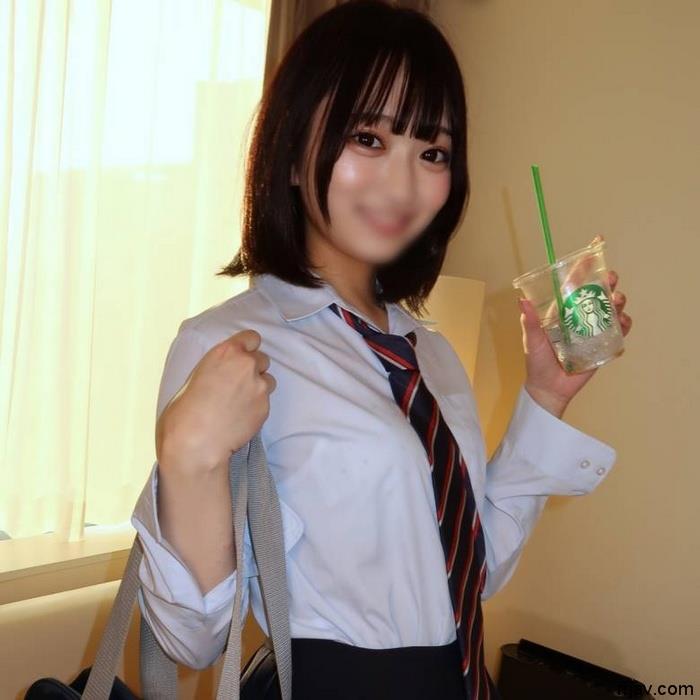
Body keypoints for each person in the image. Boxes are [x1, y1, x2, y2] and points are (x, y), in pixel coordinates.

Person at [130, 1, 633, 698]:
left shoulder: (432, 354)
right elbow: (191, 644)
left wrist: (545, 394)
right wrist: (188, 456)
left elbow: (473, 570)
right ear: (293, 153)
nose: (402, 184)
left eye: (432, 152)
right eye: (368, 138)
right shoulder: (230, 346)